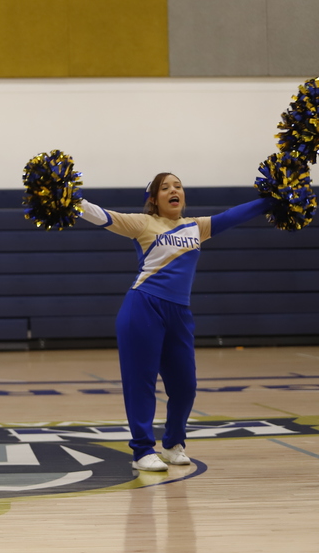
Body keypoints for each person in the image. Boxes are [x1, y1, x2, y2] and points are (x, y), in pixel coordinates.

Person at [80, 173, 270, 471]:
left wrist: (272, 200)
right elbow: (102, 215)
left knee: (185, 386)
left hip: (179, 314)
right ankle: (142, 450)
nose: (174, 190)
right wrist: (70, 200)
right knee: (140, 383)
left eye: (178, 186)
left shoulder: (197, 227)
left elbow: (233, 215)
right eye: (165, 188)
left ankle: (172, 444)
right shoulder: (142, 223)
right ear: (154, 199)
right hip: (143, 308)